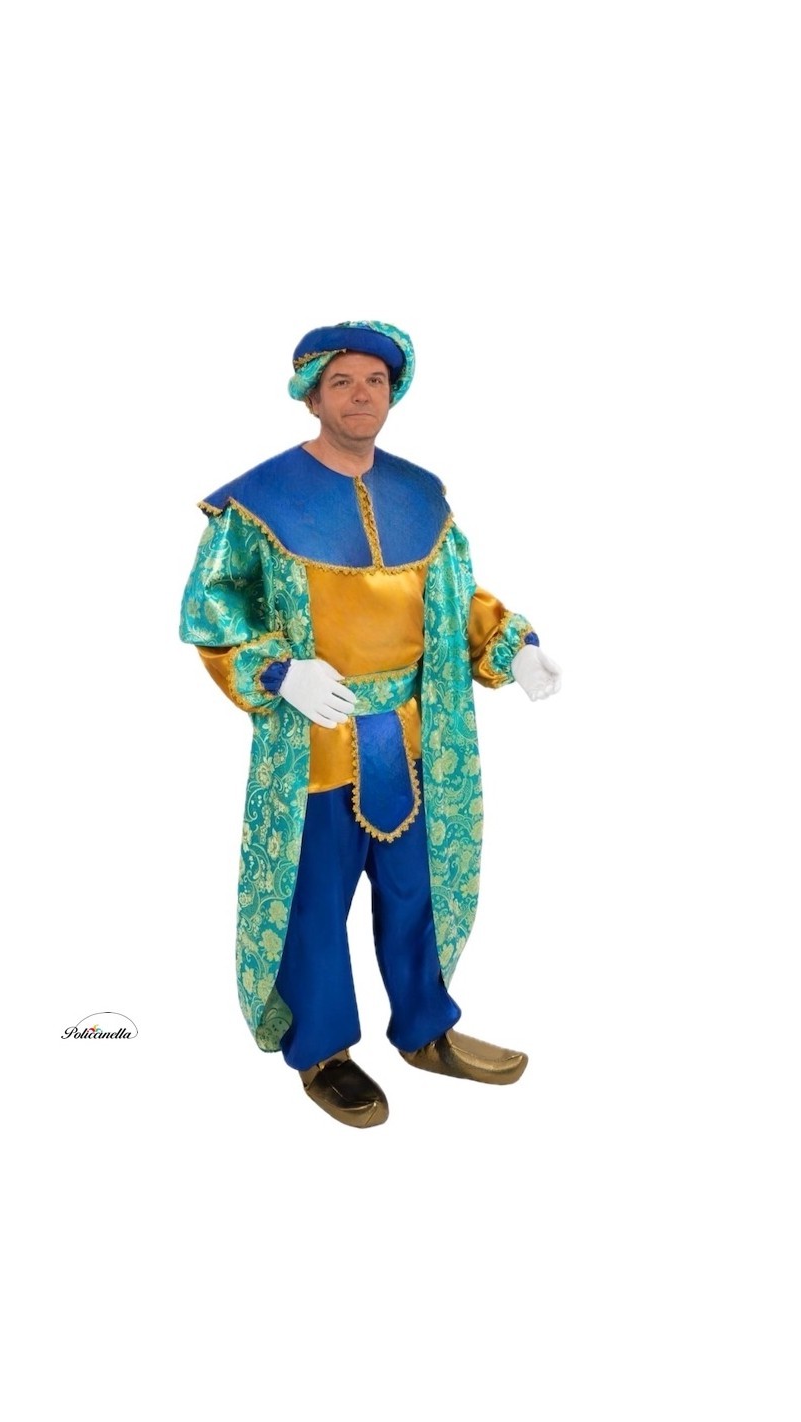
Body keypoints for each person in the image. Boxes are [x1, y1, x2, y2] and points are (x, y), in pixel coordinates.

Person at [179, 320, 561, 1128]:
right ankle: (324, 1051)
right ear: (312, 396)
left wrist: (513, 647)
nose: (361, 396)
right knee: (313, 901)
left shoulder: (422, 495)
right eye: (343, 382)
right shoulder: (258, 501)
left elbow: (457, 596)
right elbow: (212, 610)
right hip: (315, 739)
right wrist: (280, 671)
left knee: (416, 890)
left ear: (394, 393)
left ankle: (426, 1029)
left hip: (413, 735)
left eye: (375, 382)